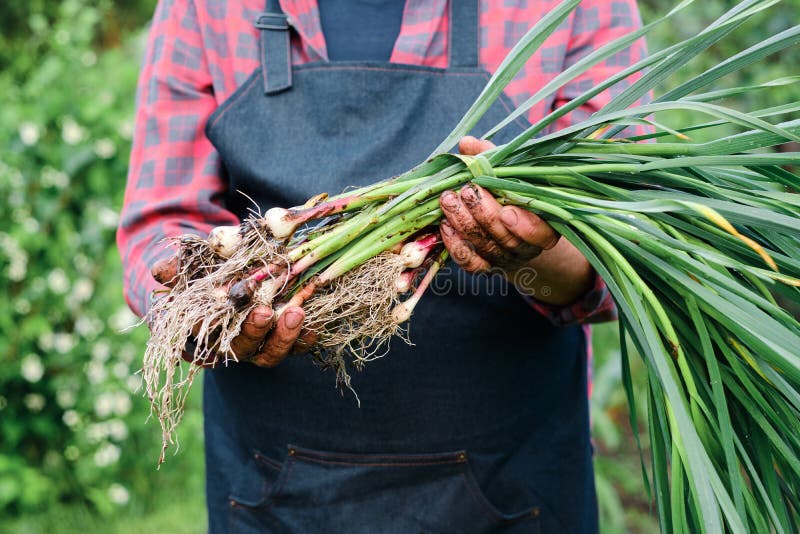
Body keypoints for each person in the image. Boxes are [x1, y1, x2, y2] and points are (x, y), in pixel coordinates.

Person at [118, 1, 649, 531]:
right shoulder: (206, 8)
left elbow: (623, 259)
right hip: (272, 493)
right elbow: (159, 227)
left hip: (512, 489)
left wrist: (528, 256)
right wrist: (200, 312)